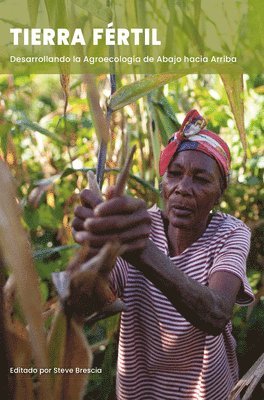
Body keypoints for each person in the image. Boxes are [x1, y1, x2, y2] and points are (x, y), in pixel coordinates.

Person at [72, 109, 254, 400]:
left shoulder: (230, 233)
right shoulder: (140, 225)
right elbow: (87, 302)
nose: (183, 188)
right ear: (163, 183)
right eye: (175, 174)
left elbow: (216, 313)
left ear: (220, 192)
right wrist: (91, 253)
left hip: (208, 391)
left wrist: (140, 249)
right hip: (139, 391)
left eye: (201, 179)